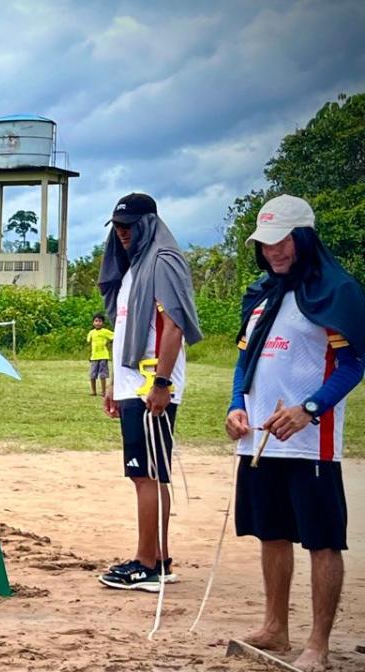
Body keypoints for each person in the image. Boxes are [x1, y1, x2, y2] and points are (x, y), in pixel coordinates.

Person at [224, 195, 365, 672]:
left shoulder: (336, 292)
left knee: (322, 540)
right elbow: (244, 360)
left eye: (281, 241)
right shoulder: (262, 293)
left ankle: (318, 644)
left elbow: (352, 366)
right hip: (259, 439)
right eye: (265, 244)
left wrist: (310, 410)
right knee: (272, 532)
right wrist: (236, 405)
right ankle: (275, 627)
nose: (273, 252)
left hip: (311, 442)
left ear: (303, 238)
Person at [95, 192, 203, 591]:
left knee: (148, 475)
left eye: (129, 226)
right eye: (117, 227)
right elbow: (126, 330)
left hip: (151, 386)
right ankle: (158, 558)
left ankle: (146, 564)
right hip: (131, 385)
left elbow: (174, 326)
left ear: (149, 224)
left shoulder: (163, 261)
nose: (122, 233)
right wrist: (115, 385)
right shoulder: (133, 268)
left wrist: (162, 382)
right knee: (144, 474)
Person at [86, 313, 114, 396]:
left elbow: (114, 337)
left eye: (100, 321)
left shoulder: (105, 331)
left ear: (103, 323)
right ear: (93, 323)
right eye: (96, 321)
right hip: (94, 357)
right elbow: (89, 343)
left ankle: (103, 391)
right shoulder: (91, 332)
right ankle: (93, 391)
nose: (98, 323)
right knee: (92, 375)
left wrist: (109, 343)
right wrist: (90, 355)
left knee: (103, 375)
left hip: (103, 356)